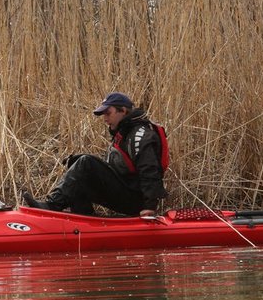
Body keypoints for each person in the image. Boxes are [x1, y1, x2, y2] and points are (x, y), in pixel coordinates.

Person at [23, 92, 168, 217]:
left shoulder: (140, 135)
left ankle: (51, 206)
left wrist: (150, 207)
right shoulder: (124, 132)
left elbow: (150, 170)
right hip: (127, 193)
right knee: (77, 162)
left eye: (108, 113)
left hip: (137, 201)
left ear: (123, 111)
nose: (105, 118)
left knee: (86, 163)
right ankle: (82, 217)